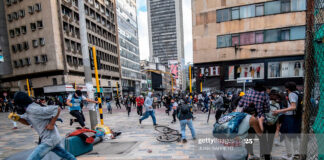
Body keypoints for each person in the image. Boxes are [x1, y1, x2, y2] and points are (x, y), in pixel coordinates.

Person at [10, 92, 76, 160]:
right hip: (52, 138)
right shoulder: (28, 110)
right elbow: (28, 122)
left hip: (49, 140)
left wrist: (51, 124)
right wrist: (18, 119)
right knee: (67, 156)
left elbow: (57, 109)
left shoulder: (34, 109)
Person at [238, 82, 272, 160]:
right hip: (259, 119)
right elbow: (267, 109)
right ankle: (266, 157)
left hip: (248, 119)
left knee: (248, 140)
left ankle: (248, 156)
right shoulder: (264, 95)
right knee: (263, 140)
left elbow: (240, 104)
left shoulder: (247, 92)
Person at [273, 82, 302, 160]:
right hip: (295, 117)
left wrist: (280, 111)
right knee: (294, 136)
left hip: (290, 117)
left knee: (287, 137)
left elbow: (293, 107)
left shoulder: (291, 94)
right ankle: (296, 154)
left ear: (287, 88)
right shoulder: (297, 93)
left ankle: (289, 155)